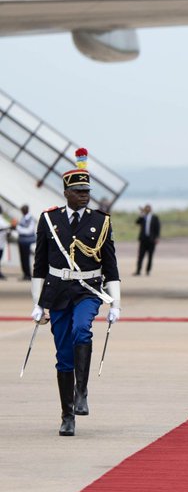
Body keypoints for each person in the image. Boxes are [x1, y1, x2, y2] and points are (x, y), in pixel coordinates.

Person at [30, 148, 121, 437]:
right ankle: (67, 414)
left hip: (88, 290)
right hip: (57, 292)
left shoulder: (101, 221)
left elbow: (111, 266)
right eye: (79, 191)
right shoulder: (49, 220)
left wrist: (115, 303)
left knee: (83, 328)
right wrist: (36, 303)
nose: (85, 195)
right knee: (63, 356)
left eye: (87, 190)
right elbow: (39, 265)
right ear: (67, 192)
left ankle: (82, 392)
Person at [134, 203, 161, 275]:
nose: (147, 209)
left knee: (150, 256)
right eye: (146, 208)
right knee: (140, 256)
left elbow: (157, 228)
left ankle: (148, 271)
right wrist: (142, 214)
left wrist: (157, 237)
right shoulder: (143, 217)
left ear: (151, 209)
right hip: (143, 240)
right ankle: (138, 271)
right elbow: (137, 222)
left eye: (149, 208)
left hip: (151, 240)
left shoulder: (155, 217)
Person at [16, 204, 35, 280]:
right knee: (22, 259)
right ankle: (25, 274)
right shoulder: (23, 218)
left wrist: (18, 228)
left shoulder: (30, 219)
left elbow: (29, 230)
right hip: (21, 241)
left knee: (26, 258)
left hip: (27, 241)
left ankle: (28, 274)